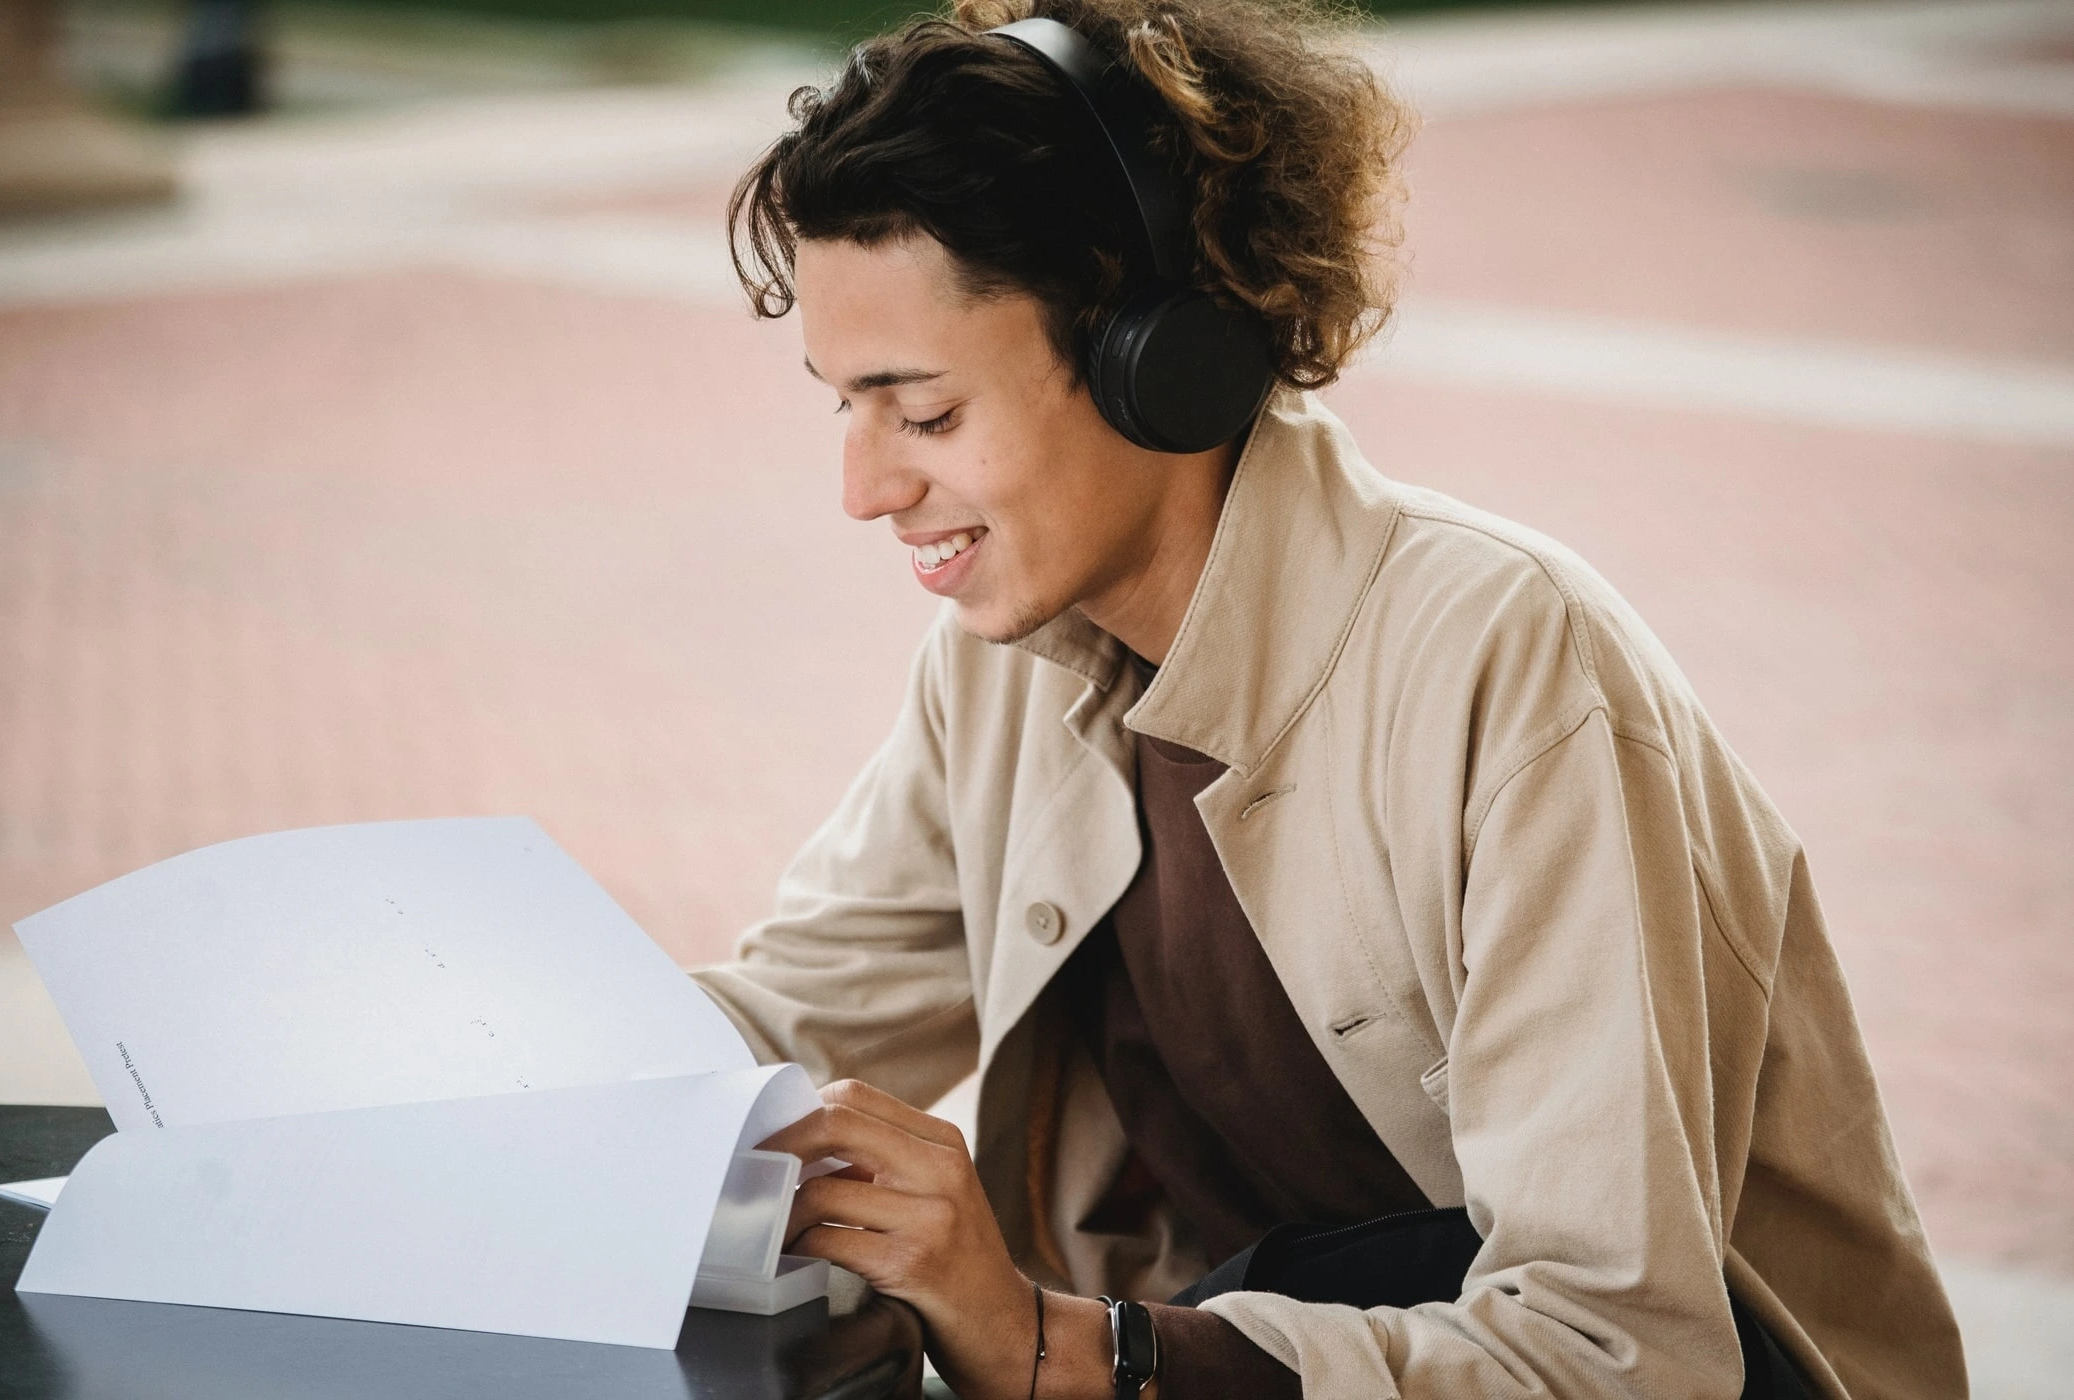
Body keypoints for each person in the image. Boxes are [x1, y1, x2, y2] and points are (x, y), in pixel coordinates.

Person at [694, 1, 1967, 1396]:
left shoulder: (1509, 665)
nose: (866, 491)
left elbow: (1621, 1355)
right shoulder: (1005, 660)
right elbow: (783, 1016)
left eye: (925, 413)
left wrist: (1067, 1352)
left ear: (1159, 359)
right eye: (845, 408)